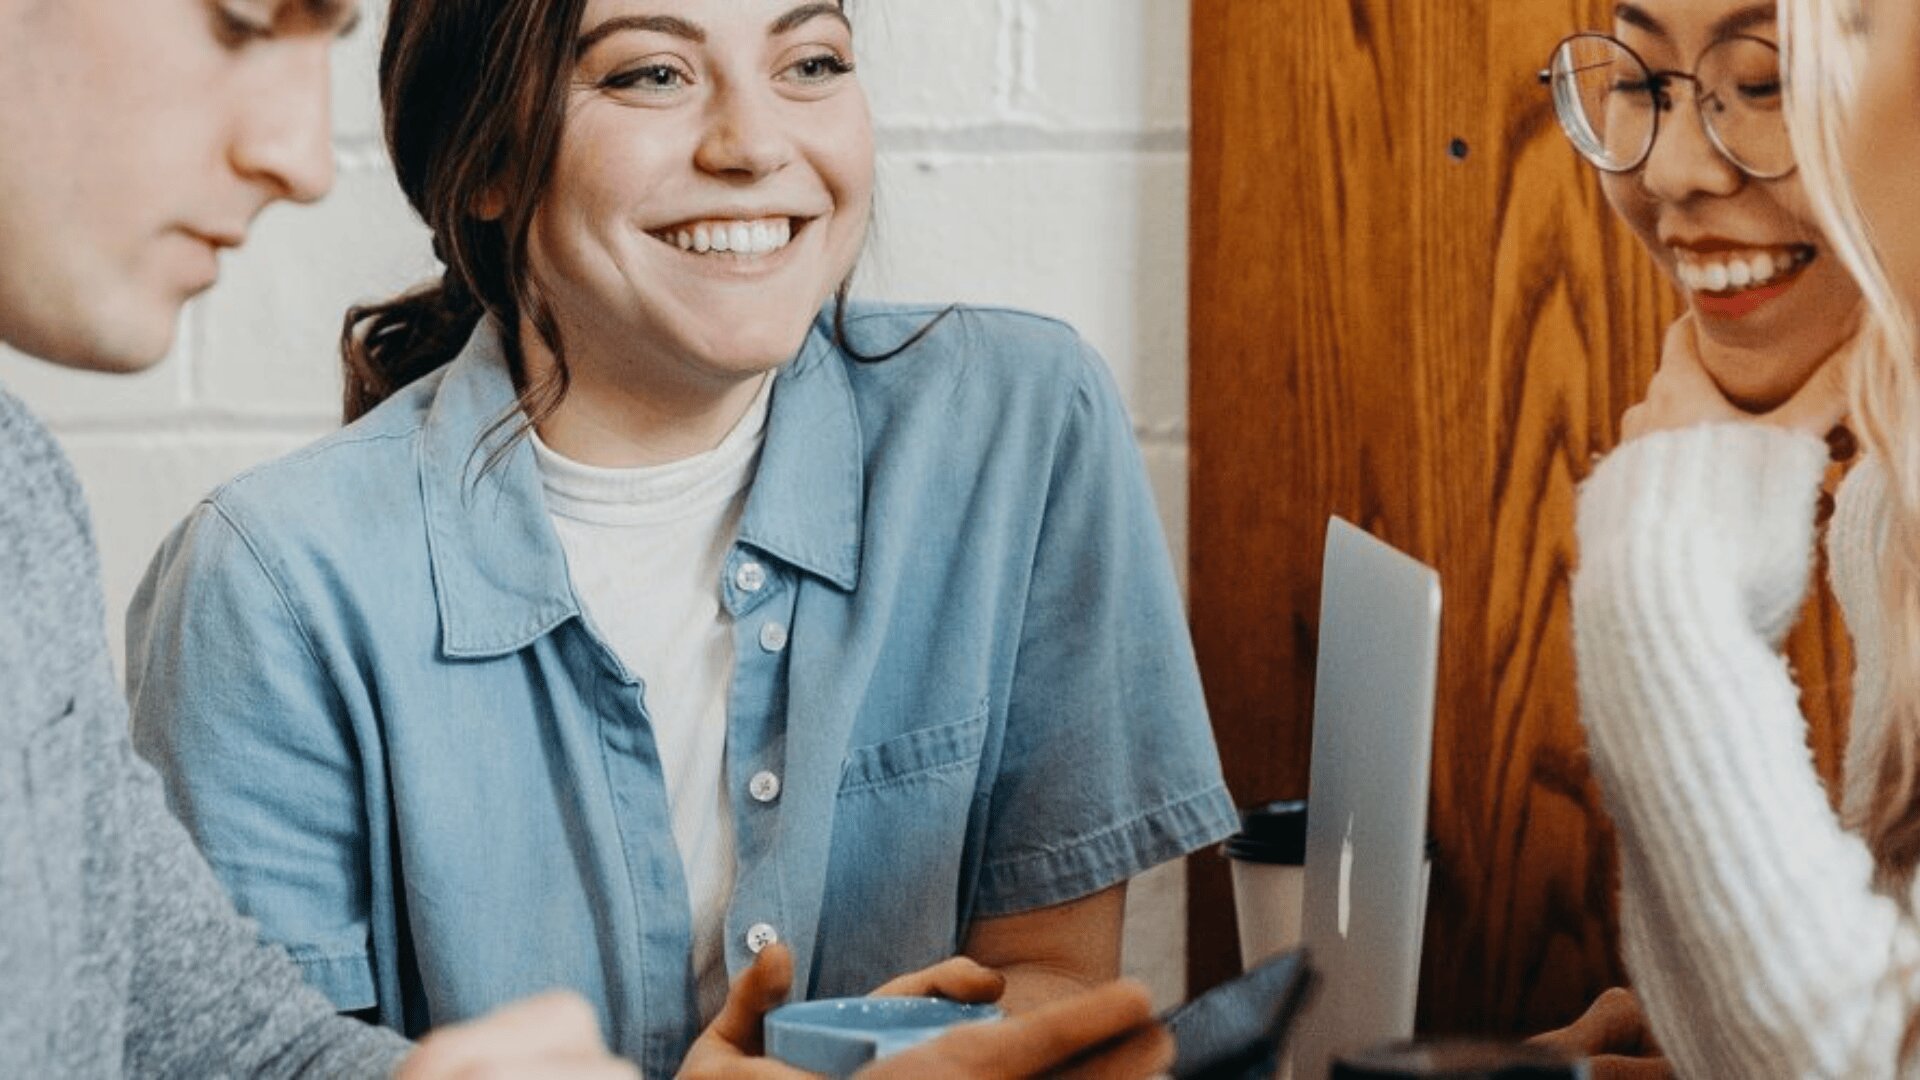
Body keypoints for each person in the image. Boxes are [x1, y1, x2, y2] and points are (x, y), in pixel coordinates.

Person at [121, 0, 1237, 1075]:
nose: (755, 144)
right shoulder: (267, 585)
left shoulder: (1022, 430)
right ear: (490, 161)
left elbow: (1049, 973)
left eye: (809, 62)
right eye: (652, 73)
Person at [1562, 0, 1920, 1071]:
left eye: (1762, 81)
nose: (1672, 169)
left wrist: (1656, 593)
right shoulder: (1888, 507)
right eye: (1643, 81)